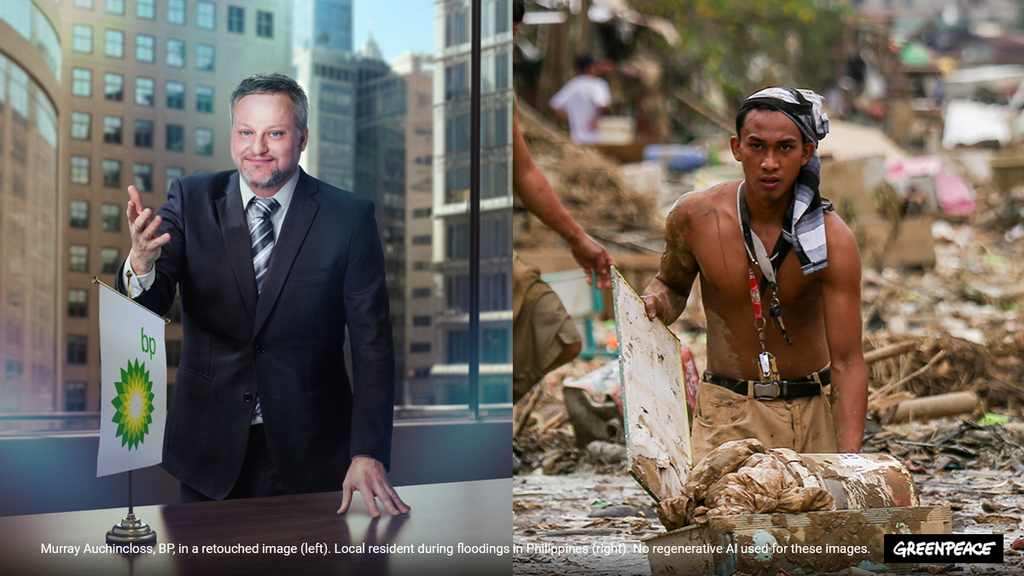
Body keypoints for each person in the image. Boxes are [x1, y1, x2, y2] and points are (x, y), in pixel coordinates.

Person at [118, 73, 409, 517]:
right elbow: (150, 304)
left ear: (303, 137)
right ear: (232, 135)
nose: (258, 148)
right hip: (207, 452)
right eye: (246, 132)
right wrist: (140, 264)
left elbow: (372, 346)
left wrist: (367, 451)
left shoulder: (349, 218)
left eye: (275, 133)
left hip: (312, 453)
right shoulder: (191, 199)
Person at [642, 87, 868, 463]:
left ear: (807, 152)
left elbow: (848, 362)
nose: (769, 162)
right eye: (756, 146)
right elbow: (670, 284)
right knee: (723, 519)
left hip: (809, 413)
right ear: (735, 148)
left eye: (785, 148)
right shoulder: (696, 217)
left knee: (814, 521)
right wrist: (652, 305)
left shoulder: (832, 241)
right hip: (725, 412)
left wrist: (848, 463)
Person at [513, 0, 615, 404]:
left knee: (555, 329)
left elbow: (524, 172)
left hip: (484, 249)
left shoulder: (496, 91)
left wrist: (578, 237)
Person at [549, 55, 612, 145]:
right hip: (596, 139)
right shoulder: (598, 84)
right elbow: (603, 106)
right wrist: (596, 120)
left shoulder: (573, 84)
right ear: (589, 68)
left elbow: (554, 106)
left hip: (576, 140)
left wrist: (571, 119)